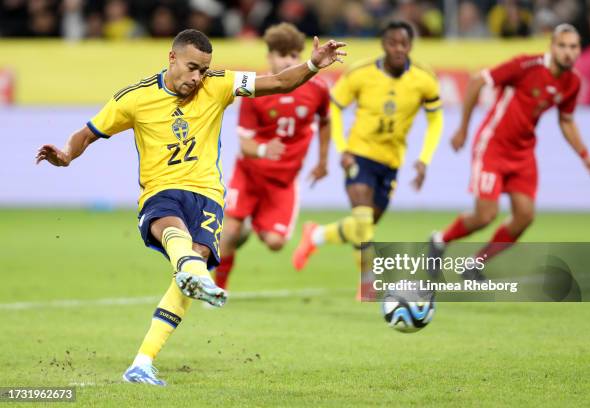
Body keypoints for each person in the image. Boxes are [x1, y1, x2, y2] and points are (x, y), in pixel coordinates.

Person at [35, 29, 346, 386]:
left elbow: (277, 81)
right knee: (177, 238)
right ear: (172, 58)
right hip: (162, 192)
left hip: (208, 197)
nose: (198, 77)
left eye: (204, 69)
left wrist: (312, 65)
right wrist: (66, 154)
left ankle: (142, 362)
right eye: (192, 67)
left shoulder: (219, 84)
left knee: (191, 260)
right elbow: (87, 133)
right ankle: (197, 275)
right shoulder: (134, 98)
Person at [428, 23, 590, 281]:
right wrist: (463, 128)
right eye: (562, 45)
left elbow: (566, 120)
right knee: (486, 214)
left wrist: (585, 156)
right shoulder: (526, 66)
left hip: (523, 153)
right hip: (493, 146)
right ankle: (440, 240)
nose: (568, 52)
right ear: (552, 46)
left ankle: (474, 264)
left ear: (579, 50)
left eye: (573, 47)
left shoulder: (572, 82)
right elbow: (478, 81)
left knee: (524, 216)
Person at [292, 20, 444, 299]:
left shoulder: (424, 79)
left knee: (365, 226)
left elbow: (435, 119)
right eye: (393, 43)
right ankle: (367, 284)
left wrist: (424, 159)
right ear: (383, 45)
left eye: (404, 44)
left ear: (411, 46)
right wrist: (343, 149)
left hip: (391, 162)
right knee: (363, 221)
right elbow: (334, 108)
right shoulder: (361, 73)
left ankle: (316, 235)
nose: (399, 49)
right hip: (359, 154)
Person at [214, 23, 331, 290]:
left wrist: (323, 161)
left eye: (293, 55)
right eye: (282, 54)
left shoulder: (318, 89)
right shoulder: (255, 89)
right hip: (250, 175)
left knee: (275, 243)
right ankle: (218, 289)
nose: (288, 60)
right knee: (229, 232)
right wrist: (266, 150)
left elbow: (326, 121)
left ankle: (253, 222)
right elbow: (245, 143)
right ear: (269, 57)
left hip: (282, 181)